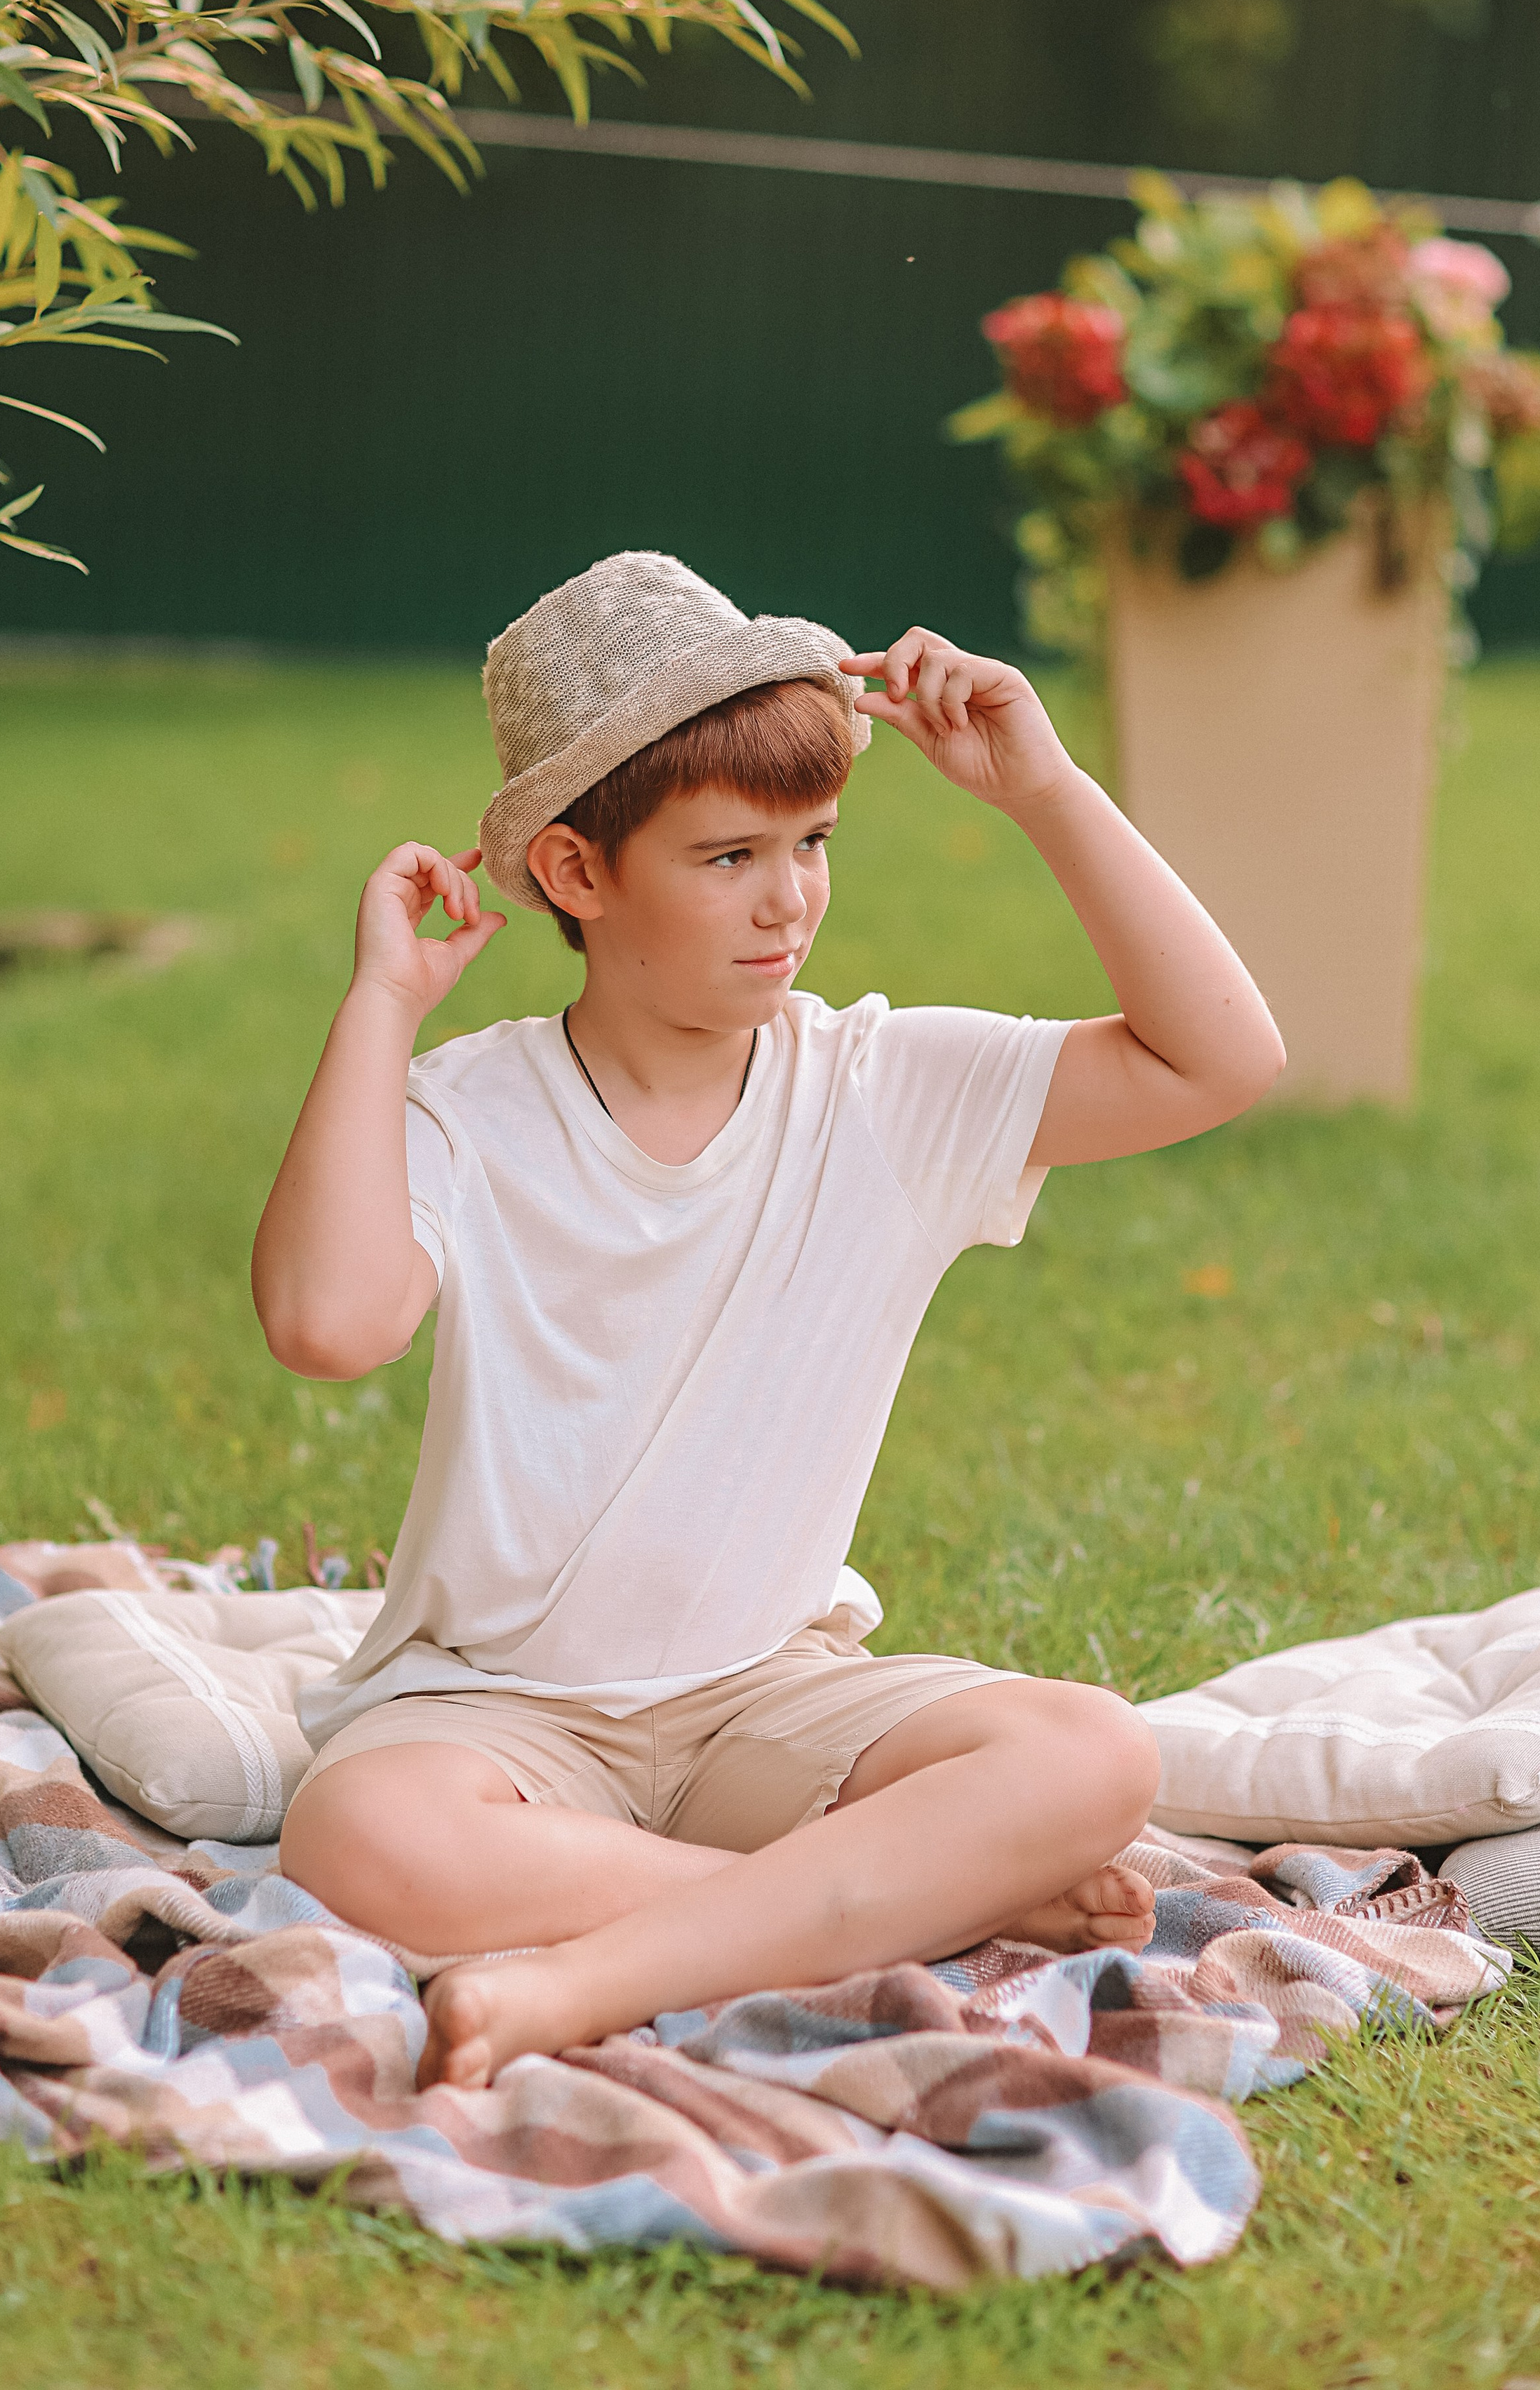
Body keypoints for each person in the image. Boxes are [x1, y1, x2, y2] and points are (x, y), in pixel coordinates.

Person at [253, 551, 1285, 2091]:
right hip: (499, 1719)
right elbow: (328, 1326)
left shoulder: (881, 1091)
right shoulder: (470, 1112)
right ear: (575, 875)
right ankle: (898, 1911)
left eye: (812, 842)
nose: (789, 896)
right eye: (727, 856)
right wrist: (380, 1007)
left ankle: (590, 1978)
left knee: (1092, 1753)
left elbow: (1221, 1061)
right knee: (357, 1829)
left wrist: (1049, 792)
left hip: (770, 1702)